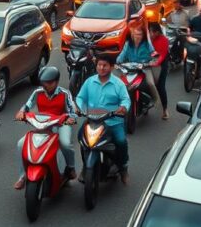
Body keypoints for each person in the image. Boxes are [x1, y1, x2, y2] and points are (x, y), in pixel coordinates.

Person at [13, 66, 78, 190]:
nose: (46, 85)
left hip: (61, 124)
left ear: (57, 81)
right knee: (21, 144)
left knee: (65, 143)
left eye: (49, 82)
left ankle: (70, 167)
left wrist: (71, 118)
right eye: (44, 82)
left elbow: (72, 111)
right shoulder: (37, 92)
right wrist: (21, 112)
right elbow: (27, 106)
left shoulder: (65, 94)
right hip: (43, 124)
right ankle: (22, 176)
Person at [75, 55, 131, 185]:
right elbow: (80, 97)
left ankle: (123, 167)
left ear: (111, 67)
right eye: (99, 65)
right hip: (92, 120)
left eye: (105, 65)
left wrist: (123, 107)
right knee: (81, 139)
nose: (101, 68)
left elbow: (125, 99)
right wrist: (79, 107)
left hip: (113, 121)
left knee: (121, 141)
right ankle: (85, 165)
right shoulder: (89, 82)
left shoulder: (118, 84)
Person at [116, 23, 161, 112]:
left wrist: (150, 62)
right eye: (136, 34)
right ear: (132, 34)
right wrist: (118, 63)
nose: (138, 37)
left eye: (140, 34)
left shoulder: (147, 44)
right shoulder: (128, 44)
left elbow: (154, 55)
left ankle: (157, 101)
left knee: (150, 83)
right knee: (117, 83)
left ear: (143, 35)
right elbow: (121, 57)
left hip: (144, 67)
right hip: (130, 69)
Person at [147, 23, 171, 120]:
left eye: (152, 32)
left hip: (161, 65)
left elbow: (162, 55)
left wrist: (155, 63)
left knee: (160, 86)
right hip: (148, 63)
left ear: (157, 32)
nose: (150, 34)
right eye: (149, 31)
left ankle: (165, 109)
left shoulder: (164, 40)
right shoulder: (147, 39)